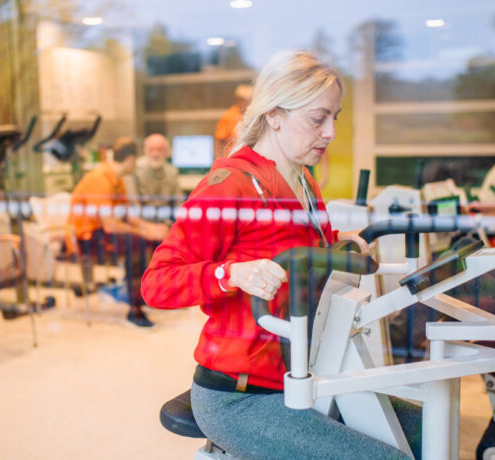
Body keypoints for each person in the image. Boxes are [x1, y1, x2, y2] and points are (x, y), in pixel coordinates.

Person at [142, 50, 421, 459]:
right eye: (317, 118)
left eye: (334, 118)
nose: (330, 132)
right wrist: (230, 275)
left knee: (423, 430)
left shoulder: (303, 180)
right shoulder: (229, 186)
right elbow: (156, 284)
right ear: (274, 115)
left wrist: (339, 241)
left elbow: (287, 244)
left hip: (305, 372)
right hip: (240, 395)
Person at [68, 137, 169, 327]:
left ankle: (150, 294)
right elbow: (110, 225)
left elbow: (127, 216)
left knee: (158, 239)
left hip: (103, 233)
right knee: (138, 244)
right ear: (131, 159)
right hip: (88, 239)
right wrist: (146, 234)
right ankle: (134, 309)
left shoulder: (117, 179)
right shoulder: (99, 179)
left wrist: (151, 228)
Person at [124, 133, 183, 222]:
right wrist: (148, 228)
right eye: (151, 149)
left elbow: (178, 203)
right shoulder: (134, 171)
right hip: (142, 222)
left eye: (159, 149)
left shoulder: (172, 172)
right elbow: (134, 205)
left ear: (167, 152)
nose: (155, 154)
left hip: (165, 221)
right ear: (145, 151)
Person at [213, 83, 253, 159]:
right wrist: (220, 161)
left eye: (251, 100)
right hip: (231, 159)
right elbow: (219, 142)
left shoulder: (253, 115)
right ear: (238, 100)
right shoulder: (229, 116)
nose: (248, 103)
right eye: (246, 100)